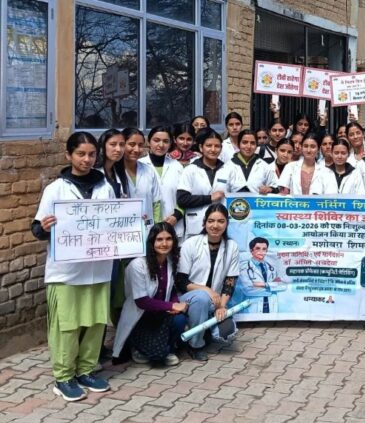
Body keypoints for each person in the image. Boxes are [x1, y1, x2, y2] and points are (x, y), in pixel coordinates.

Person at [32, 131, 114, 401]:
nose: (87, 159)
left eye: (92, 154)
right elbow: (37, 228)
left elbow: (115, 220)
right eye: (81, 154)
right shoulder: (56, 189)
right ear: (69, 155)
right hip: (65, 271)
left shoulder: (105, 186)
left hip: (99, 267)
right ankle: (64, 376)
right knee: (66, 325)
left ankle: (86, 370)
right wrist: (44, 228)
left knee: (94, 321)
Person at [113, 223, 188, 366]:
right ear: (151, 241)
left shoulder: (170, 261)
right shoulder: (137, 265)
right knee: (157, 357)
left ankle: (167, 348)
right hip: (141, 317)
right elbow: (142, 302)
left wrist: (175, 305)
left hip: (160, 314)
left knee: (180, 319)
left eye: (169, 239)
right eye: (159, 239)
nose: (164, 243)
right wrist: (172, 305)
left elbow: (171, 289)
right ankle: (136, 346)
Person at [176, 204, 241, 361]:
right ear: (204, 222)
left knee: (227, 332)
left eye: (221, 221)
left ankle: (206, 329)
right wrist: (207, 290)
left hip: (215, 301)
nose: (215, 225)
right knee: (201, 297)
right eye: (211, 221)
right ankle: (195, 345)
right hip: (189, 298)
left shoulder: (231, 247)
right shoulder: (191, 244)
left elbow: (230, 281)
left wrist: (222, 306)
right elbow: (181, 281)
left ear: (227, 224)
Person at [177, 128, 245, 237]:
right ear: (201, 147)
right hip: (196, 225)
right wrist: (209, 198)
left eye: (217, 146)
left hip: (221, 226)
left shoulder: (229, 169)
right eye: (209, 146)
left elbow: (240, 195)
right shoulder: (190, 170)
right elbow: (182, 199)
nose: (213, 150)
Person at [142, 126, 185, 239]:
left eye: (165, 141)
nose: (161, 145)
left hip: (174, 224)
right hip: (146, 226)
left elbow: (184, 195)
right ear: (148, 142)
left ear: (171, 144)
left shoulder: (177, 166)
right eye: (156, 140)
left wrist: (177, 215)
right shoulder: (139, 165)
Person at [120, 128, 162, 231]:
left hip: (147, 227)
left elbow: (156, 203)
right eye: (132, 144)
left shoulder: (148, 170)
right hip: (121, 231)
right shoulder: (113, 172)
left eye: (140, 145)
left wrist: (156, 229)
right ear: (122, 145)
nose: (137, 149)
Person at [236, 237, 284, 313]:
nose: (261, 251)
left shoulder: (271, 268)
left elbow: (282, 286)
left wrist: (264, 284)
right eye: (258, 248)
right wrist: (272, 289)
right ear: (251, 251)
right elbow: (247, 289)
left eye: (264, 249)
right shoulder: (244, 267)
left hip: (271, 306)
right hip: (253, 308)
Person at [230, 129, 277, 195]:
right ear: (238, 144)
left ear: (256, 145)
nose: (248, 146)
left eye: (252, 143)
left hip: (258, 203)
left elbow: (275, 187)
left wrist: (270, 189)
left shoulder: (265, 166)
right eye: (245, 142)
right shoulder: (228, 166)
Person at [96, 129, 128, 199]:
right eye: (113, 144)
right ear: (102, 147)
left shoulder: (120, 172)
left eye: (122, 145)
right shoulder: (93, 172)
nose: (118, 149)